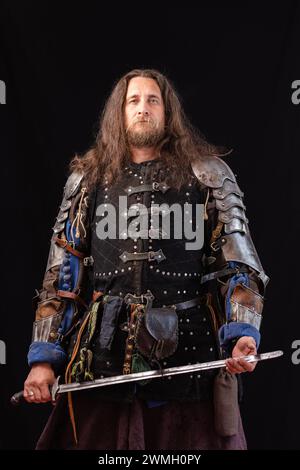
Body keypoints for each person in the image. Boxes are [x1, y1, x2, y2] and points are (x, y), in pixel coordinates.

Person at [23, 69, 269, 450]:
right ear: (118, 114)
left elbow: (239, 266)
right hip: (101, 354)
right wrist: (43, 360)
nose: (143, 109)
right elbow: (61, 279)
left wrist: (242, 336)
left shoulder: (207, 175)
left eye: (153, 100)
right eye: (133, 101)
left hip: (189, 354)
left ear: (167, 112)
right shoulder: (87, 180)